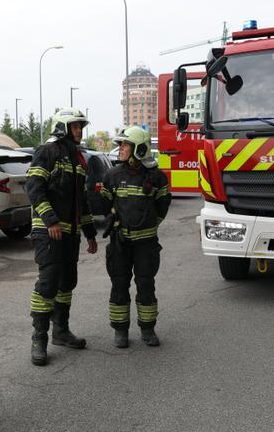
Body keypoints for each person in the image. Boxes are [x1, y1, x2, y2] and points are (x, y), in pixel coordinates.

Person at [25, 107, 98, 367]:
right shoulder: (47, 152)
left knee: (67, 282)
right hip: (49, 231)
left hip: (70, 232)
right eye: (75, 126)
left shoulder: (77, 158)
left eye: (80, 126)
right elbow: (34, 188)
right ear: (62, 128)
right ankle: (39, 338)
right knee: (48, 283)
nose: (79, 130)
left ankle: (61, 331)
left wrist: (90, 233)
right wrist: (51, 220)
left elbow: (82, 201)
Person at [99, 126, 171, 348]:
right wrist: (114, 218)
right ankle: (120, 331)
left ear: (138, 149)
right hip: (120, 243)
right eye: (120, 144)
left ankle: (147, 329)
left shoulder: (157, 177)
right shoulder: (112, 175)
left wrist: (149, 226)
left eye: (125, 145)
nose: (120, 149)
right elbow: (104, 204)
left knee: (146, 285)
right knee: (119, 285)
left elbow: (162, 207)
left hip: (146, 245)